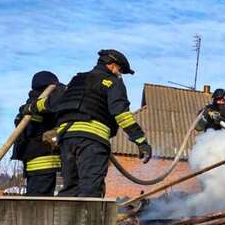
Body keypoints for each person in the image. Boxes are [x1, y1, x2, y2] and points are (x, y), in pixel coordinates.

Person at [31, 49, 152, 197]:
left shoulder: (77, 79)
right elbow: (122, 115)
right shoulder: (113, 83)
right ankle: (89, 221)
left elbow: (51, 102)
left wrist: (30, 107)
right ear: (112, 66)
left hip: (66, 141)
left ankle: (67, 220)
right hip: (92, 142)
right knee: (91, 190)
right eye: (119, 70)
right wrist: (141, 141)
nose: (119, 74)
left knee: (70, 189)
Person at [11, 71, 62, 196]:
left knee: (34, 202)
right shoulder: (45, 104)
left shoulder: (29, 106)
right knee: (39, 205)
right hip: (44, 162)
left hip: (32, 163)